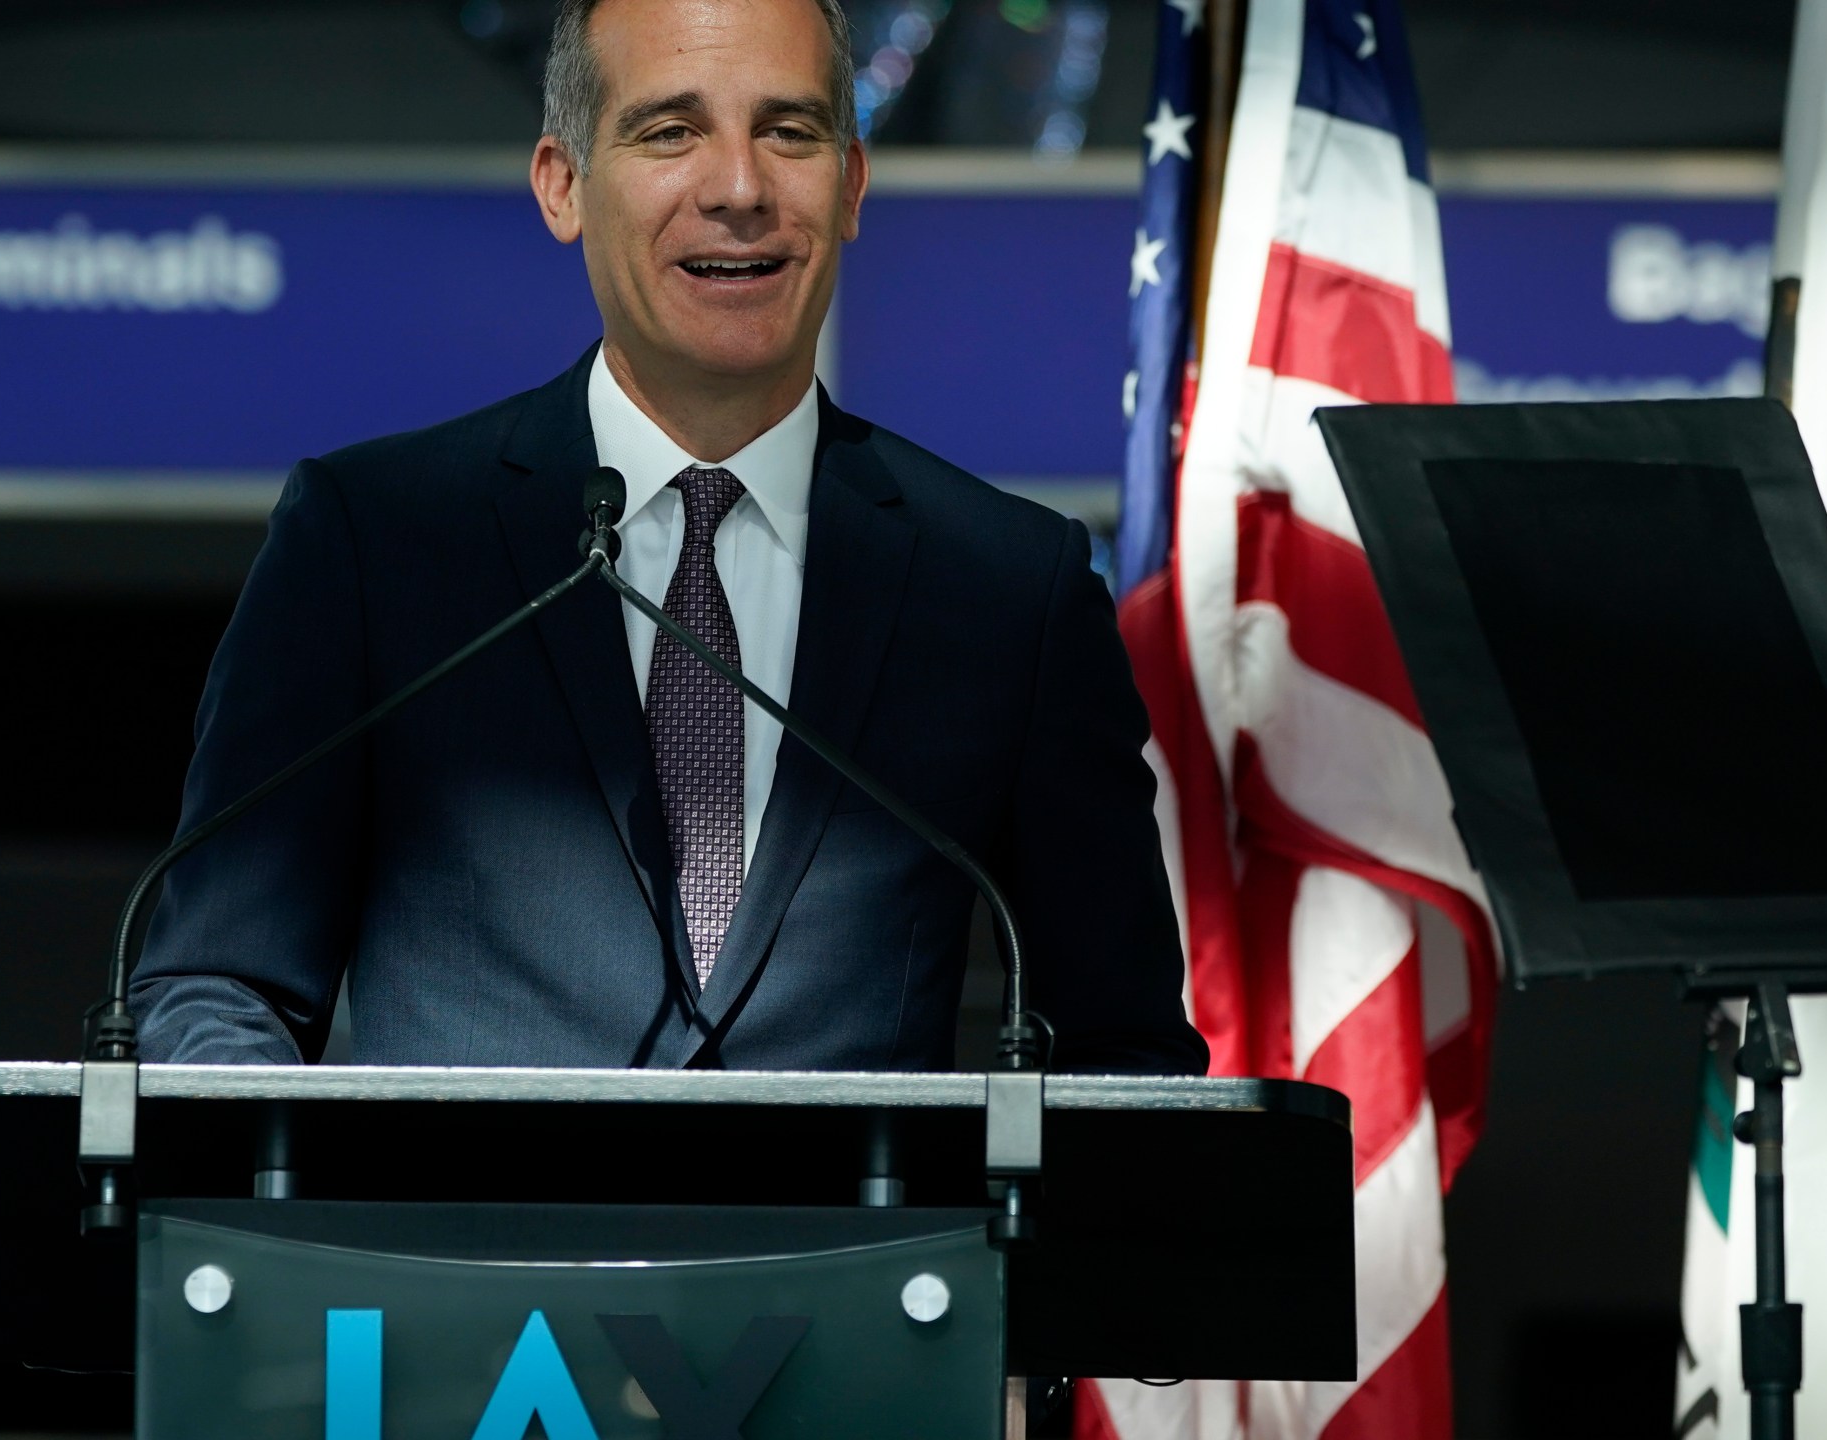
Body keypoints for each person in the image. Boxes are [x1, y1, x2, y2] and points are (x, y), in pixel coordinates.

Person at [130, 0, 1207, 1075]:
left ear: (853, 184)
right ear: (561, 184)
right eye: (669, 132)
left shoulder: (1010, 586)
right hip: (452, 1246)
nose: (739, 188)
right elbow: (218, 985)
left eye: (788, 132)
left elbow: (1119, 1056)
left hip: (859, 1247)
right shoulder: (369, 541)